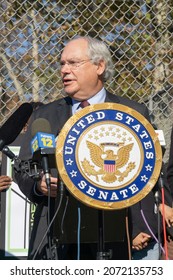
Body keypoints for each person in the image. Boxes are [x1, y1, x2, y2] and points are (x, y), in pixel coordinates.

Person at [14, 36, 158, 260]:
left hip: (115, 234)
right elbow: (22, 167)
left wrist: (141, 226)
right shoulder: (45, 116)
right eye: (62, 64)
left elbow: (149, 173)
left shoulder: (132, 112)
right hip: (56, 236)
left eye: (73, 63)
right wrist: (38, 186)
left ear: (99, 66)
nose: (64, 70)